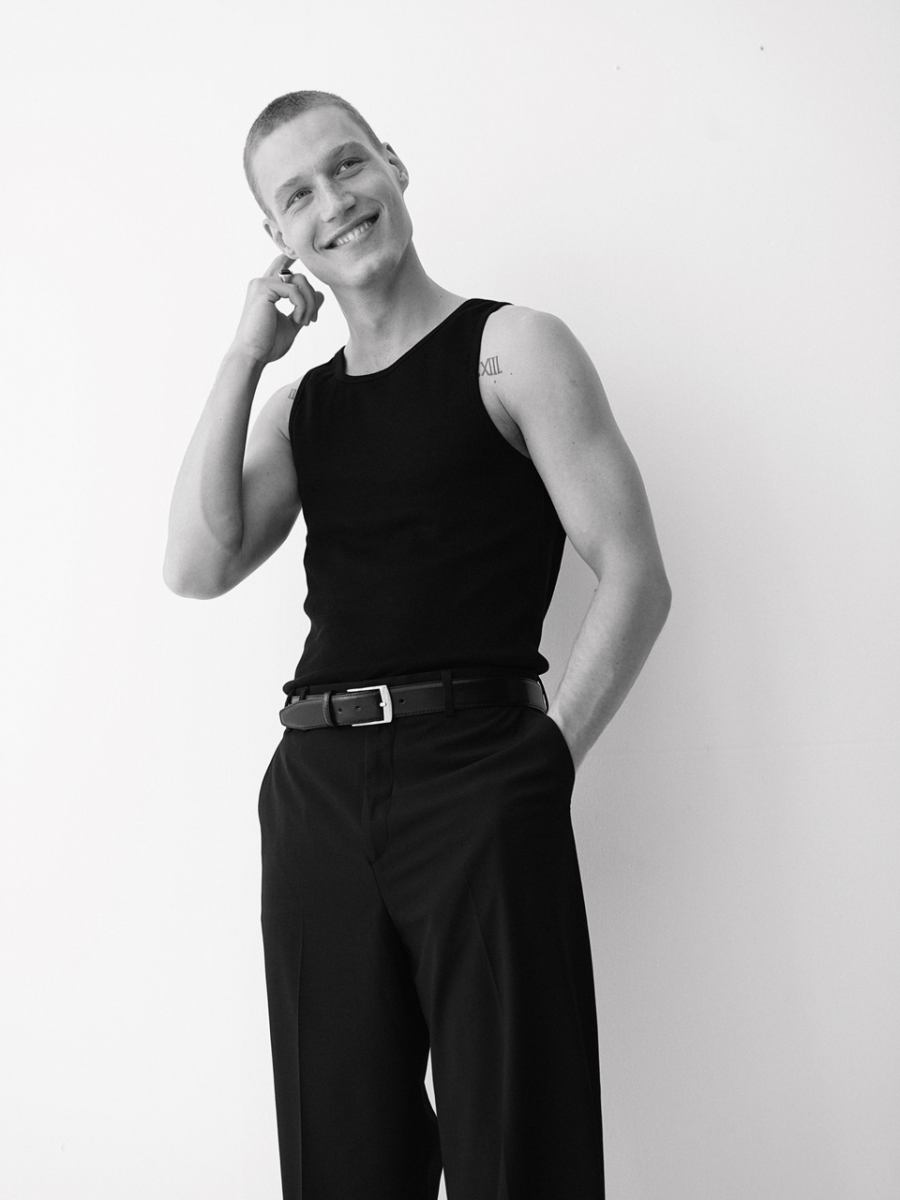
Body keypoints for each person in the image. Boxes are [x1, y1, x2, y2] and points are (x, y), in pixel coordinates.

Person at [163, 89, 671, 1200]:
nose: (335, 202)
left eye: (348, 165)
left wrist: (545, 763)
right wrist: (245, 355)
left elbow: (635, 572)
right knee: (341, 1156)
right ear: (276, 235)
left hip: (481, 771)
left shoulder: (511, 349)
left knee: (519, 1146)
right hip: (318, 789)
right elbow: (198, 564)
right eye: (298, 194)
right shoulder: (302, 408)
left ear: (392, 164)